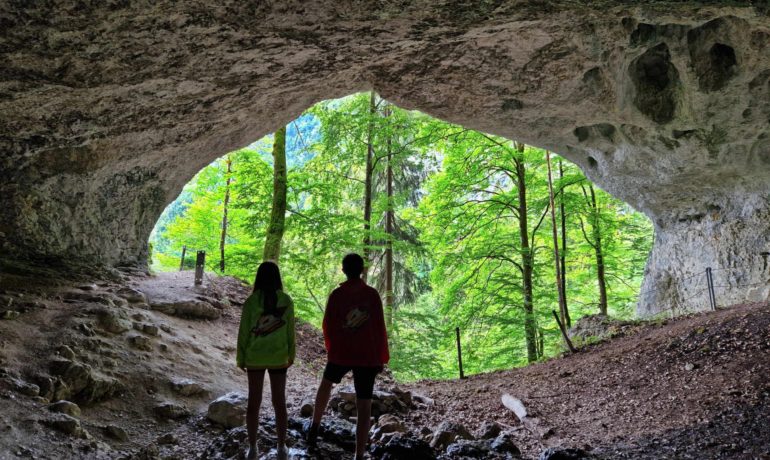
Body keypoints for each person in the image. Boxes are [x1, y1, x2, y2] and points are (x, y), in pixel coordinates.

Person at [306, 253, 390, 460]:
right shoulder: (371, 295)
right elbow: (379, 326)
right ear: (362, 270)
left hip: (341, 353)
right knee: (364, 404)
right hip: (367, 356)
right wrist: (381, 357)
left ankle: (314, 427)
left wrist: (331, 349)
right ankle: (359, 454)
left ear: (343, 270)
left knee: (325, 385)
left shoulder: (337, 295)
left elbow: (328, 325)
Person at [236, 261, 295, 460]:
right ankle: (281, 447)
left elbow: (243, 333)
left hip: (255, 357)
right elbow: (290, 332)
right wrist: (291, 355)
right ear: (278, 278)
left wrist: (241, 357)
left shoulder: (252, 302)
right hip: (279, 357)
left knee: (254, 402)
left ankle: (252, 448)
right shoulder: (286, 300)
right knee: (280, 402)